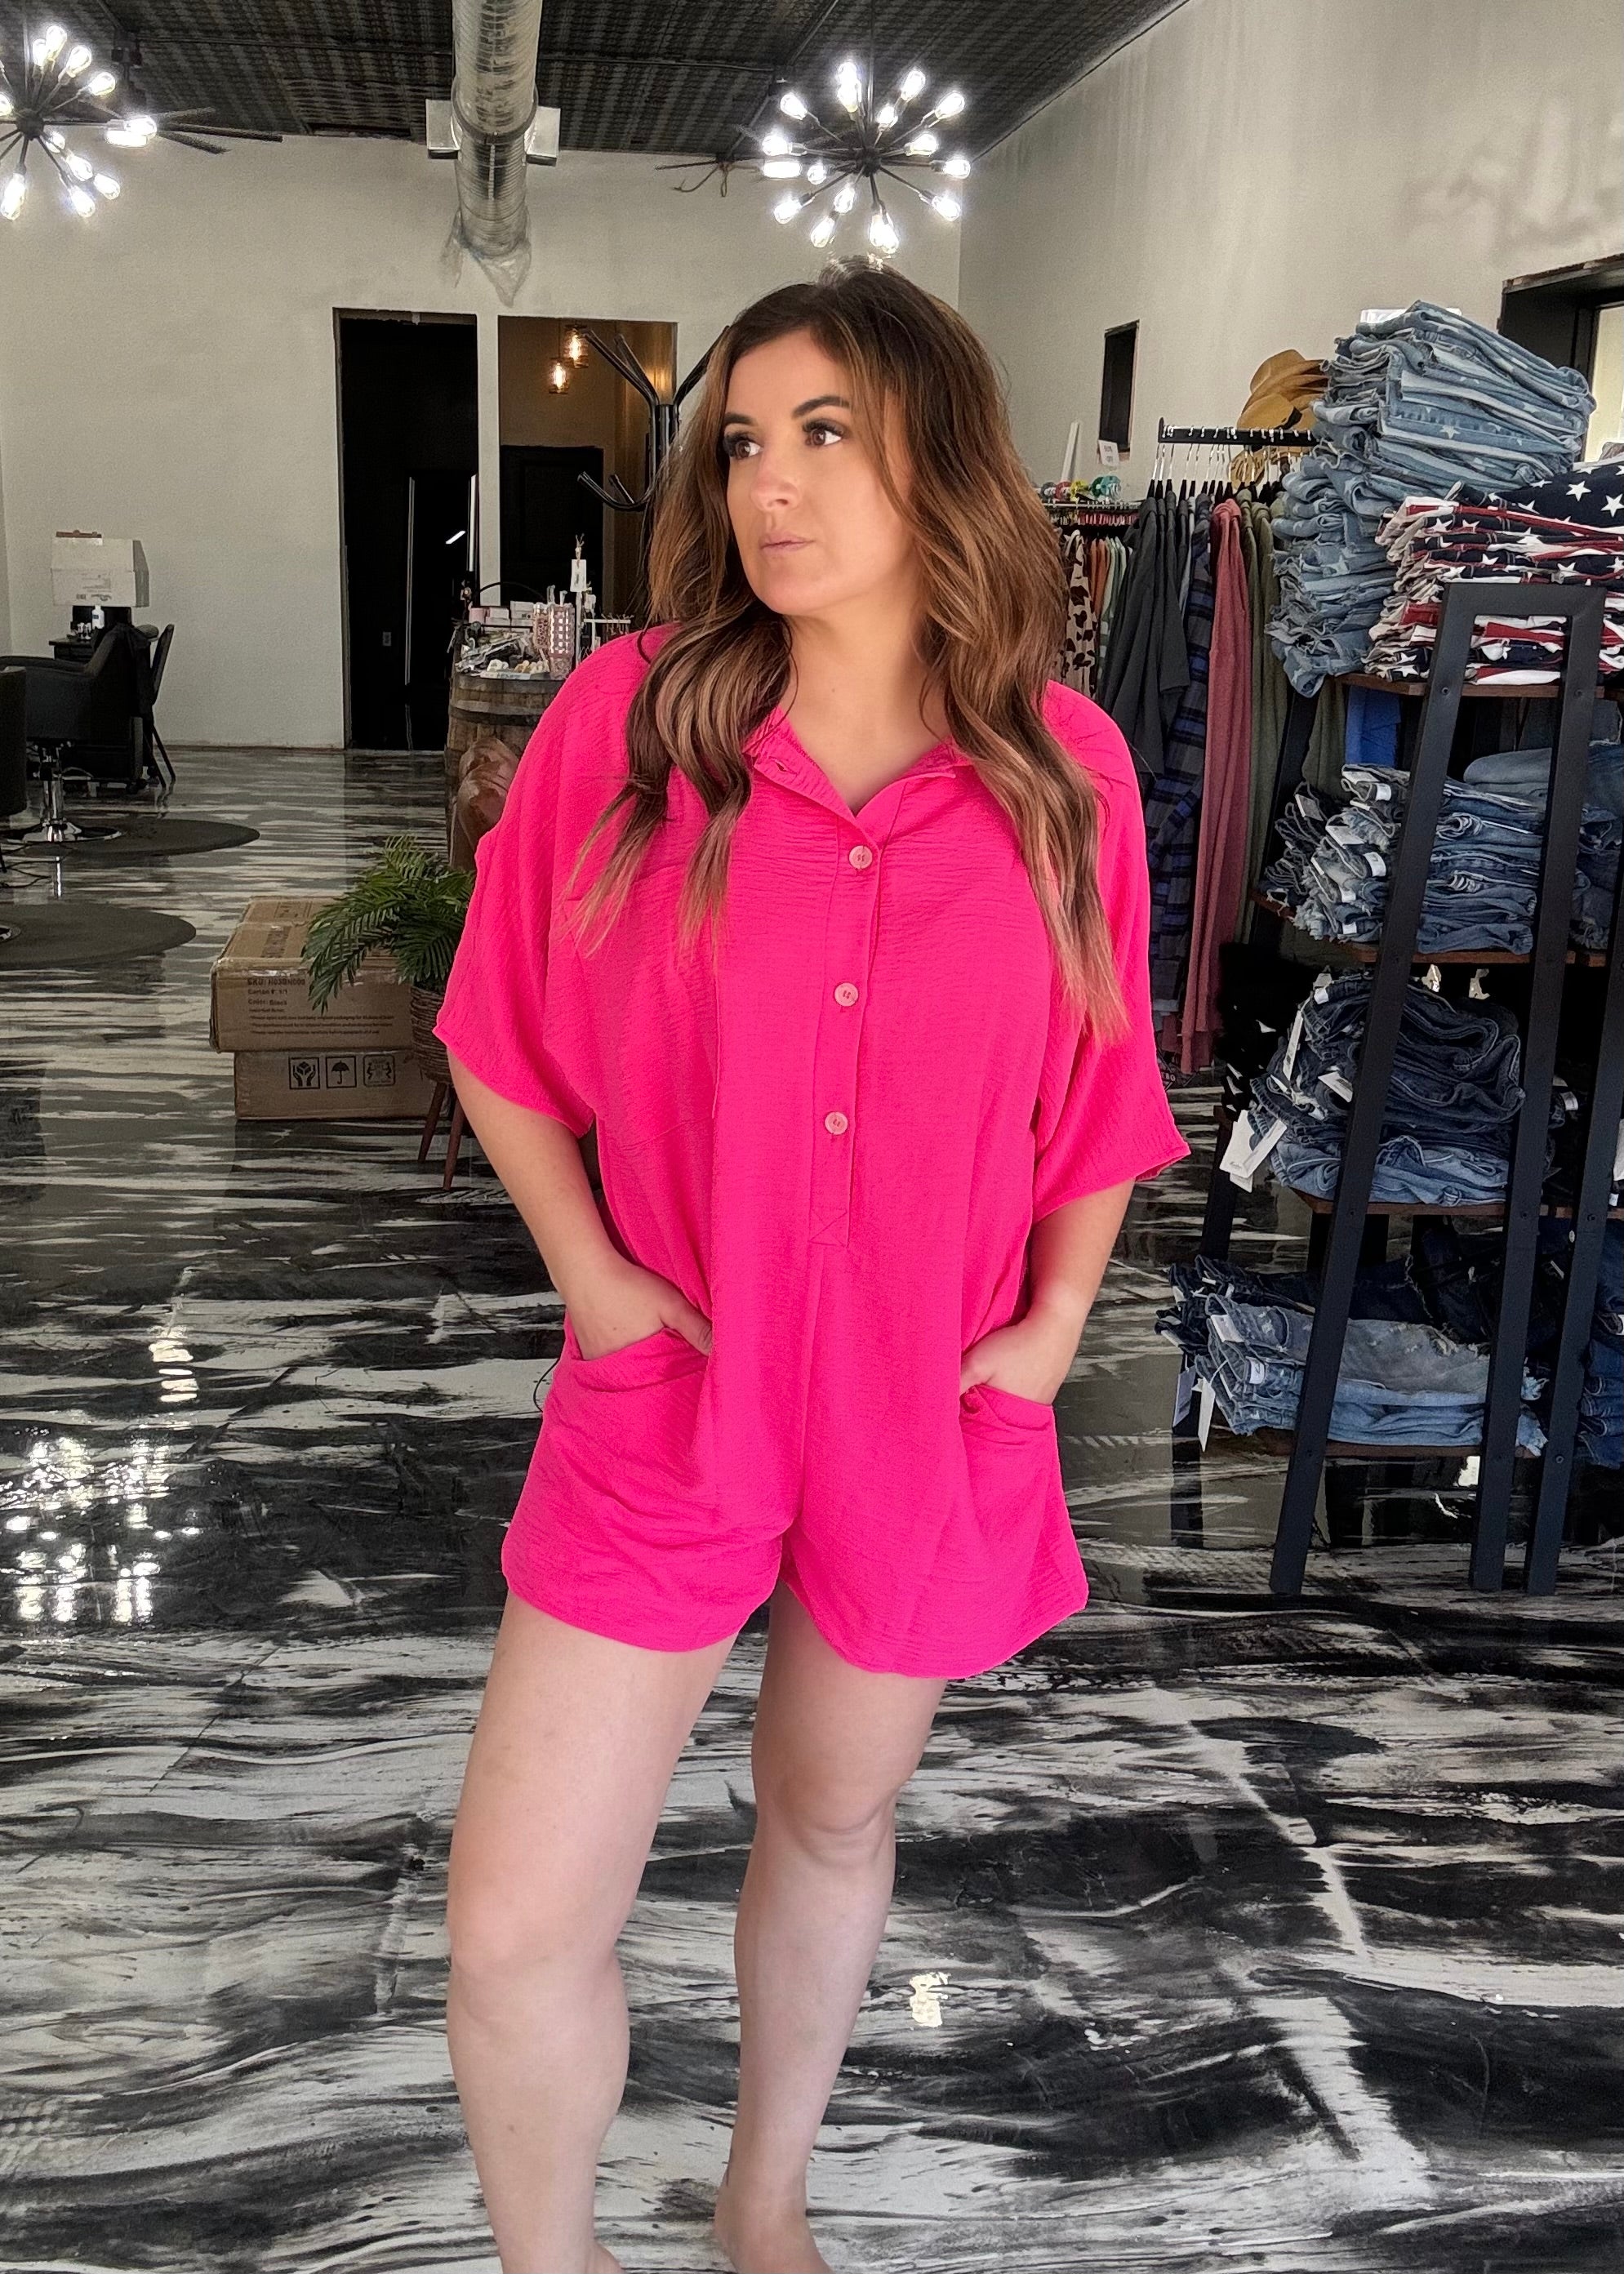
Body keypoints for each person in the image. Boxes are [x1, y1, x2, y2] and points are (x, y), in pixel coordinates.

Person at [432, 256, 1189, 2274]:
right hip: (669, 1389)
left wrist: (1052, 1326)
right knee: (511, 1922)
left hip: (920, 1400)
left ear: (942, 457)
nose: (767, 483)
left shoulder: (1063, 774)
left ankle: (760, 2202)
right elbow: (492, 1035)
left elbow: (1104, 1082)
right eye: (743, 444)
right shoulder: (633, 727)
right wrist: (595, 1280)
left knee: (831, 1812)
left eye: (825, 433)